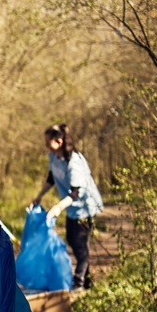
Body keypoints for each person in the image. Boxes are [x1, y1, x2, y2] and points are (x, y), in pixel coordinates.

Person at [31, 123, 104, 290]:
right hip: (72, 209)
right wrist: (39, 196)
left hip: (85, 208)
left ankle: (78, 285)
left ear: (59, 141)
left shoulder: (74, 163)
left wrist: (57, 208)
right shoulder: (53, 157)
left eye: (48, 142)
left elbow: (76, 193)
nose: (45, 145)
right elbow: (51, 177)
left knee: (80, 246)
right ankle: (88, 282)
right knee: (72, 240)